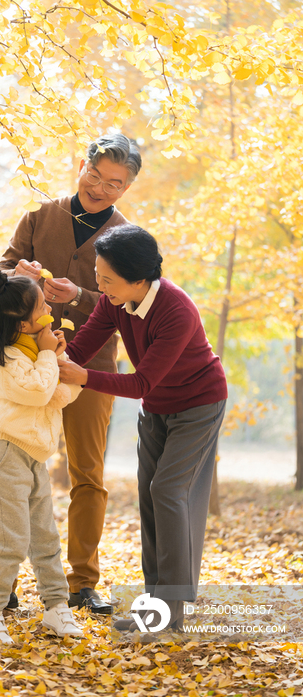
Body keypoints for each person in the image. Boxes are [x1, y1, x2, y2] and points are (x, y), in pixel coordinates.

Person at [0, 134, 142, 614]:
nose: (100, 188)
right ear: (81, 166)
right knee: (11, 472)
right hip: (23, 357)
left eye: (114, 184)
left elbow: (134, 302)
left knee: (87, 475)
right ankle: (4, 583)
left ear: (127, 188)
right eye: (95, 175)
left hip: (90, 366)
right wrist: (22, 277)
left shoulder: (128, 239)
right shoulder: (39, 215)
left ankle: (82, 583)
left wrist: (77, 296)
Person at [58, 224, 228, 631]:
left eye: (106, 280)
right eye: (97, 276)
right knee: (150, 496)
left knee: (168, 491)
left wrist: (81, 378)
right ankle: (155, 608)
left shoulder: (176, 310)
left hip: (198, 403)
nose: (99, 286)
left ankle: (171, 612)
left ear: (139, 279)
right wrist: (52, 357)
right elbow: (82, 347)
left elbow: (139, 382)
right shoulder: (115, 301)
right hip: (157, 409)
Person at [0, 270, 83, 643]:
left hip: (35, 456)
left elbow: (56, 396)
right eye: (42, 307)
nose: (50, 308)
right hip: (5, 453)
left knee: (46, 539)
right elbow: (36, 392)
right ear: (23, 324)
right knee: (12, 541)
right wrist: (50, 357)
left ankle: (56, 607)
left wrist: (67, 373)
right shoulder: (10, 358)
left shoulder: (39, 354)